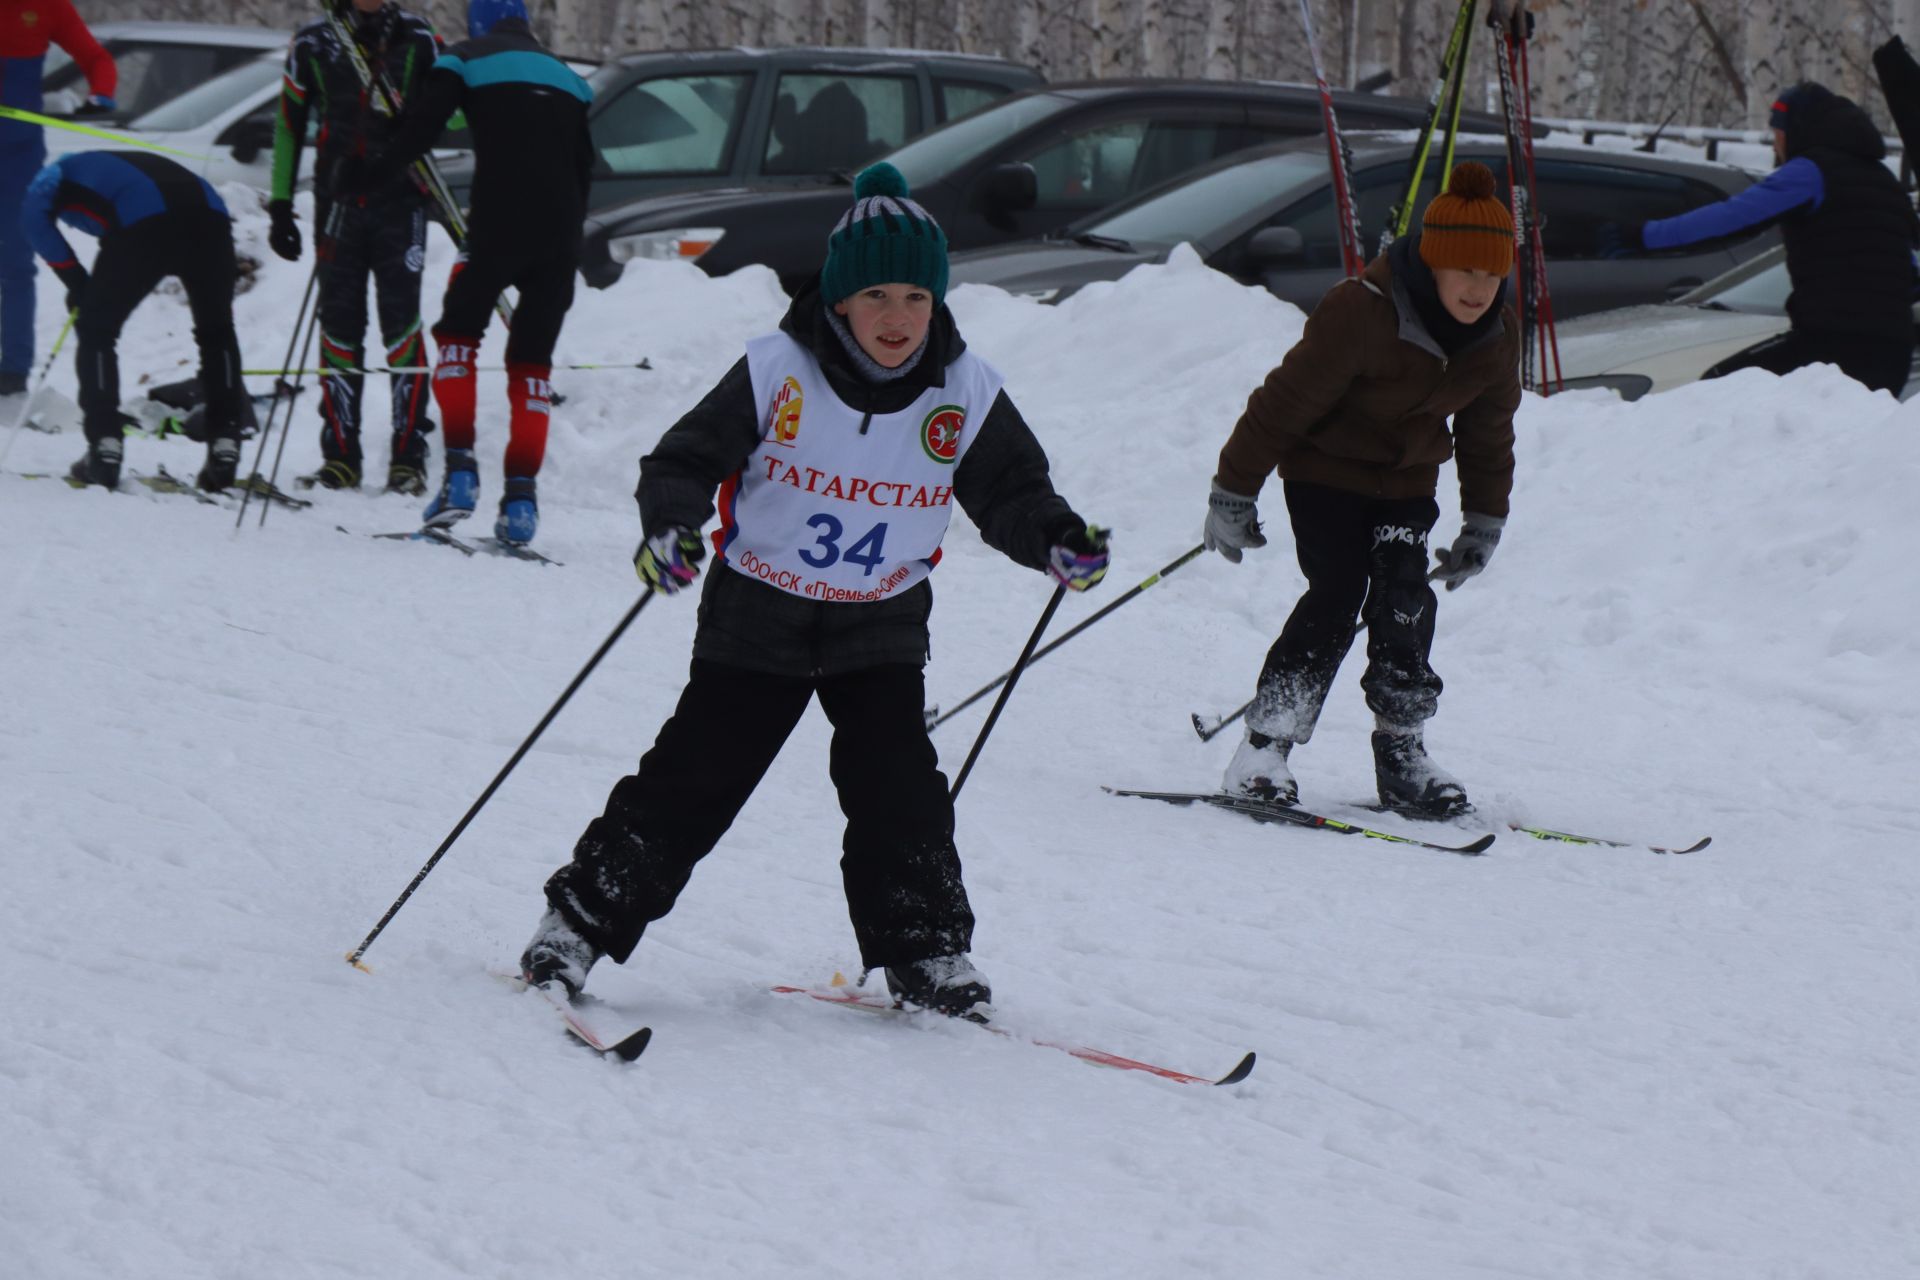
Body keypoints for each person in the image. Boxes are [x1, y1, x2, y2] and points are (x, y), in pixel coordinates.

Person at [518, 163, 1111, 1016]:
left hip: (880, 625)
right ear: (839, 301)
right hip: (760, 614)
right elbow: (682, 462)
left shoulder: (964, 389)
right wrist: (669, 527)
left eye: (917, 297)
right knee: (695, 778)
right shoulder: (776, 370)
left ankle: (926, 952)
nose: (899, 318)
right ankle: (576, 922)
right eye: (877, 297)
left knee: (898, 789)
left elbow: (1012, 492)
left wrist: (1058, 539)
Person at [1203, 160, 1520, 819]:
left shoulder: (1494, 336)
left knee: (1404, 599)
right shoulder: (1362, 312)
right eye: (1466, 270)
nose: (1479, 289)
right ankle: (1265, 748)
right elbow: (1283, 405)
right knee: (1339, 594)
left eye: (1492, 275)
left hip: (1406, 484)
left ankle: (1403, 752)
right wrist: (1235, 490)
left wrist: (1484, 520)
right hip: (1326, 475)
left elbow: (1489, 432)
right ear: (1433, 261)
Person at [336, 0, 594, 547]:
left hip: (497, 225)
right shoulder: (571, 78)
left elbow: (418, 134)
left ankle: (459, 477)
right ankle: (521, 503)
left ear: (477, 22)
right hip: (561, 235)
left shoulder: (463, 59)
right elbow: (584, 169)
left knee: (456, 337)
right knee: (532, 365)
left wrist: (363, 175)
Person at [1600, 82, 1917, 395]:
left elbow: (1733, 216)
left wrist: (1645, 235)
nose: (1775, 144)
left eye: (1778, 132)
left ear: (1799, 129)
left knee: (1722, 388)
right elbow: (1909, 267)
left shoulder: (1810, 171)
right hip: (1893, 351)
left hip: (1835, 345)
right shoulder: (1883, 179)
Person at [270, 0, 446, 495]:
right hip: (338, 203)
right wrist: (280, 206)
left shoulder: (420, 38)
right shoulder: (313, 42)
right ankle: (341, 456)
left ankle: (408, 456)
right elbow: (288, 123)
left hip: (402, 202)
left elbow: (448, 118)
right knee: (339, 326)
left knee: (401, 325)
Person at [24, 150, 243, 493]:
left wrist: (77, 283)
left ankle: (105, 448)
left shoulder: (44, 185)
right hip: (211, 218)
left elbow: (36, 226)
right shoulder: (101, 166)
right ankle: (225, 445)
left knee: (97, 330)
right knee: (217, 332)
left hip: (147, 222)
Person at [0, 0, 115, 396]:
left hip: (18, 153)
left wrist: (102, 91)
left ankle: (13, 370)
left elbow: (96, 57)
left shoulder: (47, 6)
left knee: (16, 261)